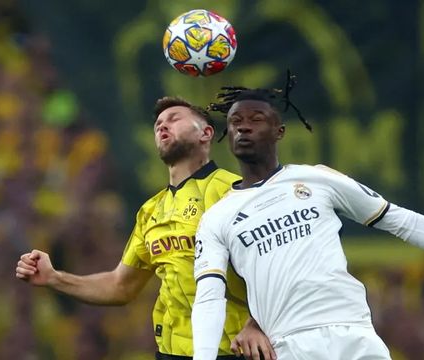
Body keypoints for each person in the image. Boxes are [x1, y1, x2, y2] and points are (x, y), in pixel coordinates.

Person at [190, 82, 424, 360]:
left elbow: (401, 221)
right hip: (291, 343)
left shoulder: (317, 180)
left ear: (280, 131)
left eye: (256, 120)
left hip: (355, 334)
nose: (243, 128)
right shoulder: (217, 218)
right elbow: (209, 298)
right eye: (235, 122)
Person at [15, 97, 276, 360]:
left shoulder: (236, 192)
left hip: (235, 350)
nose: (163, 126)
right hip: (171, 353)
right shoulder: (151, 211)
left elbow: (279, 266)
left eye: (174, 119)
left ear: (205, 133)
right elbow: (121, 286)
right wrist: (54, 278)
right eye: (158, 124)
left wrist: (255, 323)